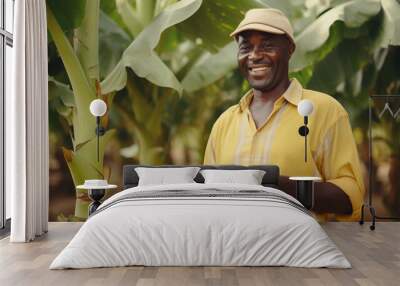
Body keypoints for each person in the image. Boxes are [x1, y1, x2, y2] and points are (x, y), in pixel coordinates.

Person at [203, 8, 365, 221]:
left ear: (289, 49)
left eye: (267, 45)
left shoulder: (325, 110)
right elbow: (206, 196)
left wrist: (279, 185)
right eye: (246, 47)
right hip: (232, 250)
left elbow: (351, 195)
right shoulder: (225, 122)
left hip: (299, 250)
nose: (255, 55)